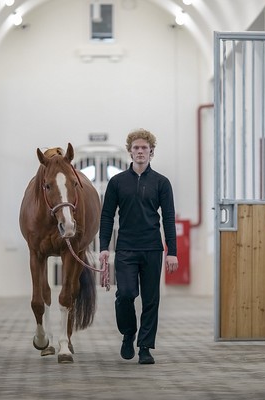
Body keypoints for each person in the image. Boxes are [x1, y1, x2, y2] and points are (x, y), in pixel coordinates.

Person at [99, 128, 179, 365]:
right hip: (125, 248)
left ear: (151, 153)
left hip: (153, 248)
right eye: (136, 148)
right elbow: (106, 217)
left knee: (151, 299)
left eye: (145, 148)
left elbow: (169, 218)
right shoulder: (117, 182)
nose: (140, 151)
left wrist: (172, 251)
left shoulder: (162, 183)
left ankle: (145, 347)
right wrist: (104, 246)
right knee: (125, 294)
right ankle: (128, 333)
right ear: (130, 152)